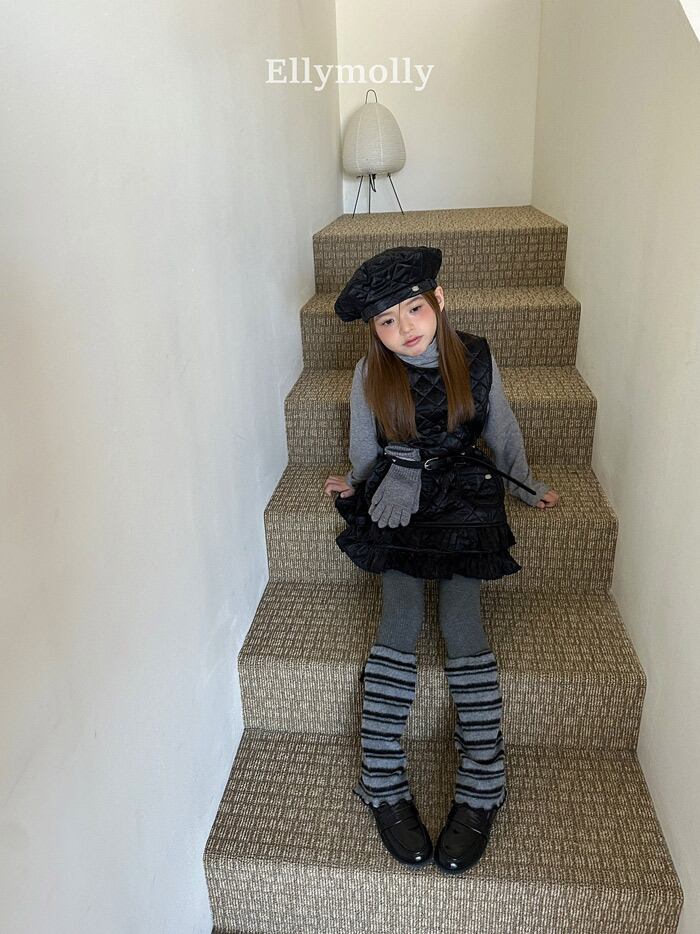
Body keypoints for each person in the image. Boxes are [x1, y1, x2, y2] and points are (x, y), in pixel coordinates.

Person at [323, 245, 560, 875]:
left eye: (414, 310)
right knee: (399, 617)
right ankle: (381, 777)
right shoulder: (369, 374)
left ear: (439, 301)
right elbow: (365, 444)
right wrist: (358, 482)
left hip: (463, 494)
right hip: (399, 490)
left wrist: (524, 484)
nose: (404, 328)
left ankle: (484, 781)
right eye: (387, 321)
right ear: (373, 330)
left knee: (462, 624)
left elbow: (500, 428)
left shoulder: (474, 357)